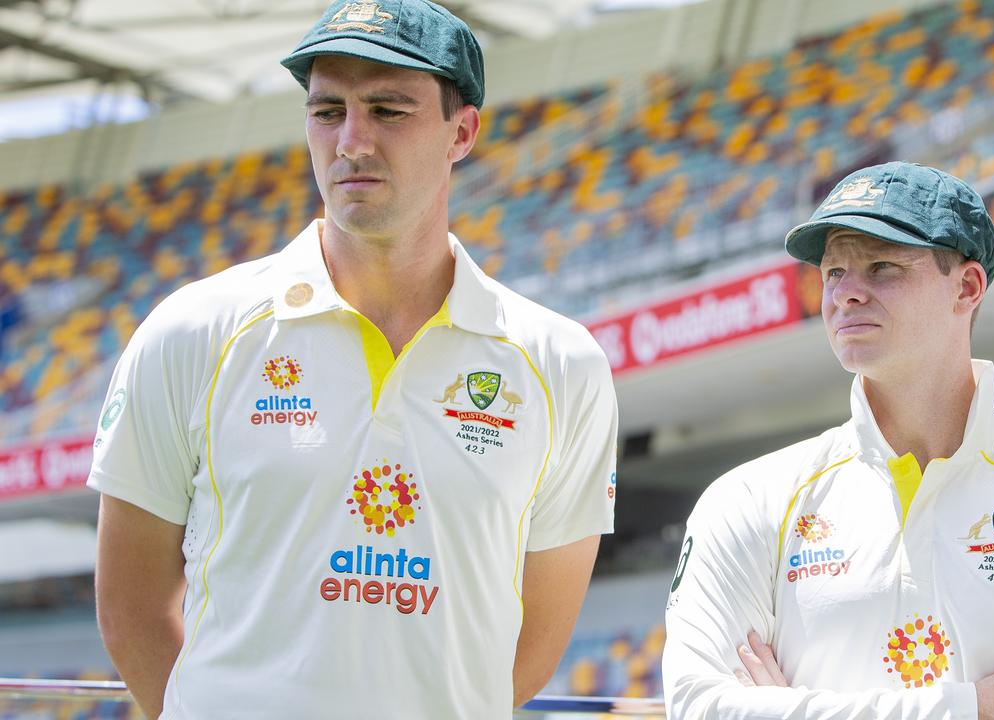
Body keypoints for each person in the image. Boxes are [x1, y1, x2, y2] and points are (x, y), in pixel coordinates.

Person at [89, 2, 618, 717]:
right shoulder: (192, 330)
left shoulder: (561, 365)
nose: (351, 141)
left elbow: (529, 646)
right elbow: (131, 613)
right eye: (327, 111)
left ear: (462, 131)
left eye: (388, 110)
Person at [662, 162, 994, 719]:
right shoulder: (746, 500)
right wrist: (966, 708)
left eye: (882, 267)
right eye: (833, 272)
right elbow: (699, 709)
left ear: (967, 288)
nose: (846, 294)